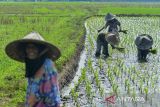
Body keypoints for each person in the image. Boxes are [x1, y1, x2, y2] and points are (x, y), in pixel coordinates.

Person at [5, 32, 61, 107]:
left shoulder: (48, 66)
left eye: (34, 47)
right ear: (25, 49)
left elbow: (52, 97)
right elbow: (31, 88)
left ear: (40, 49)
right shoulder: (31, 64)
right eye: (28, 47)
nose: (31, 50)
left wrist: (35, 98)